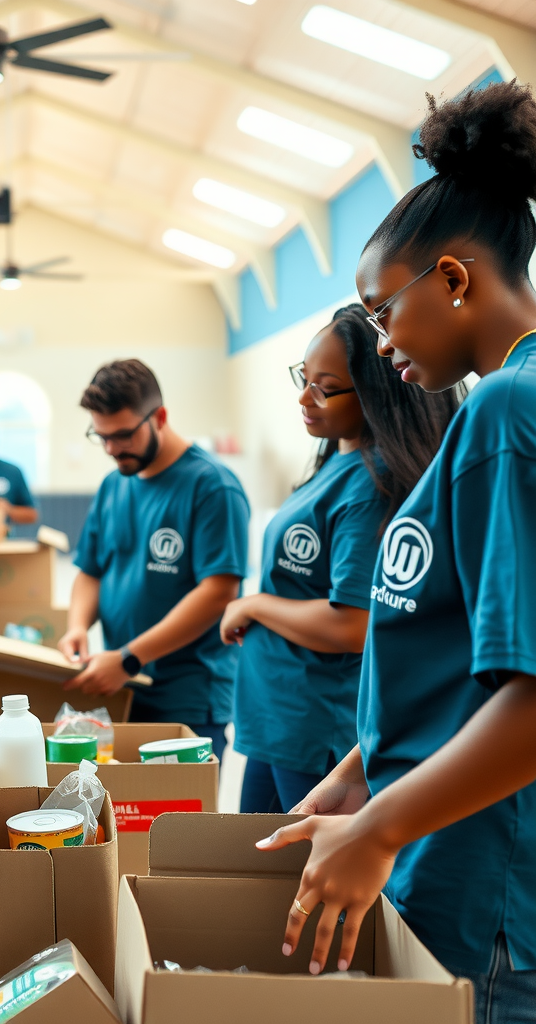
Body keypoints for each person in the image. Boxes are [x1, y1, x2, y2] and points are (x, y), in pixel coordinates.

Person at [257, 82, 536, 1020]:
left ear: (454, 280)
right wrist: (356, 776)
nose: (382, 342)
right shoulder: (492, 414)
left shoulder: (510, 411)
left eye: (383, 313)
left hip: (485, 875)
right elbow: (451, 658)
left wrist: (382, 830)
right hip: (444, 846)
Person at [221, 305, 459, 814]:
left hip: (313, 726)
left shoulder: (375, 484)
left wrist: (256, 606)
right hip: (277, 720)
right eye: (303, 380)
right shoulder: (338, 460)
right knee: (251, 877)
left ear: (377, 389)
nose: (305, 398)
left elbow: (353, 622)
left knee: (298, 882)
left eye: (325, 387)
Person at [57, 359, 249, 760]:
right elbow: (90, 570)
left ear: (159, 417)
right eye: (101, 436)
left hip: (187, 696)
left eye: (123, 435)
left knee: (183, 822)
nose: (112, 449)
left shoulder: (212, 486)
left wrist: (130, 658)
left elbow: (218, 592)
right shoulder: (113, 486)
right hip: (126, 687)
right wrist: (77, 626)